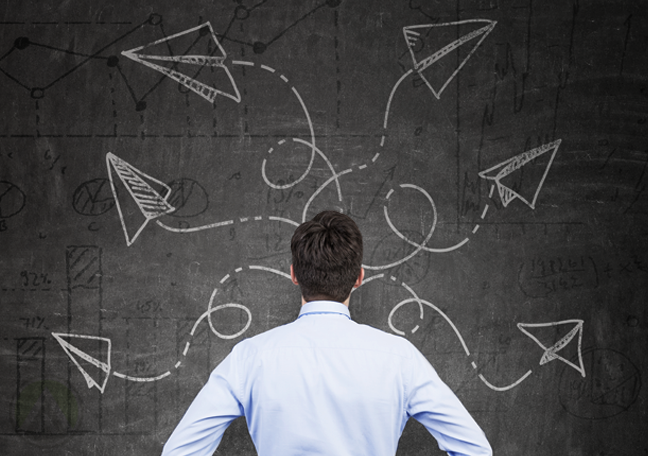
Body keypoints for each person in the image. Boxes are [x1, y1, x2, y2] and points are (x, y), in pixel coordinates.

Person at [162, 210, 492, 455]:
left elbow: (179, 452)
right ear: (359, 277)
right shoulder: (399, 358)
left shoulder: (250, 357)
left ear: (293, 274)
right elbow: (476, 450)